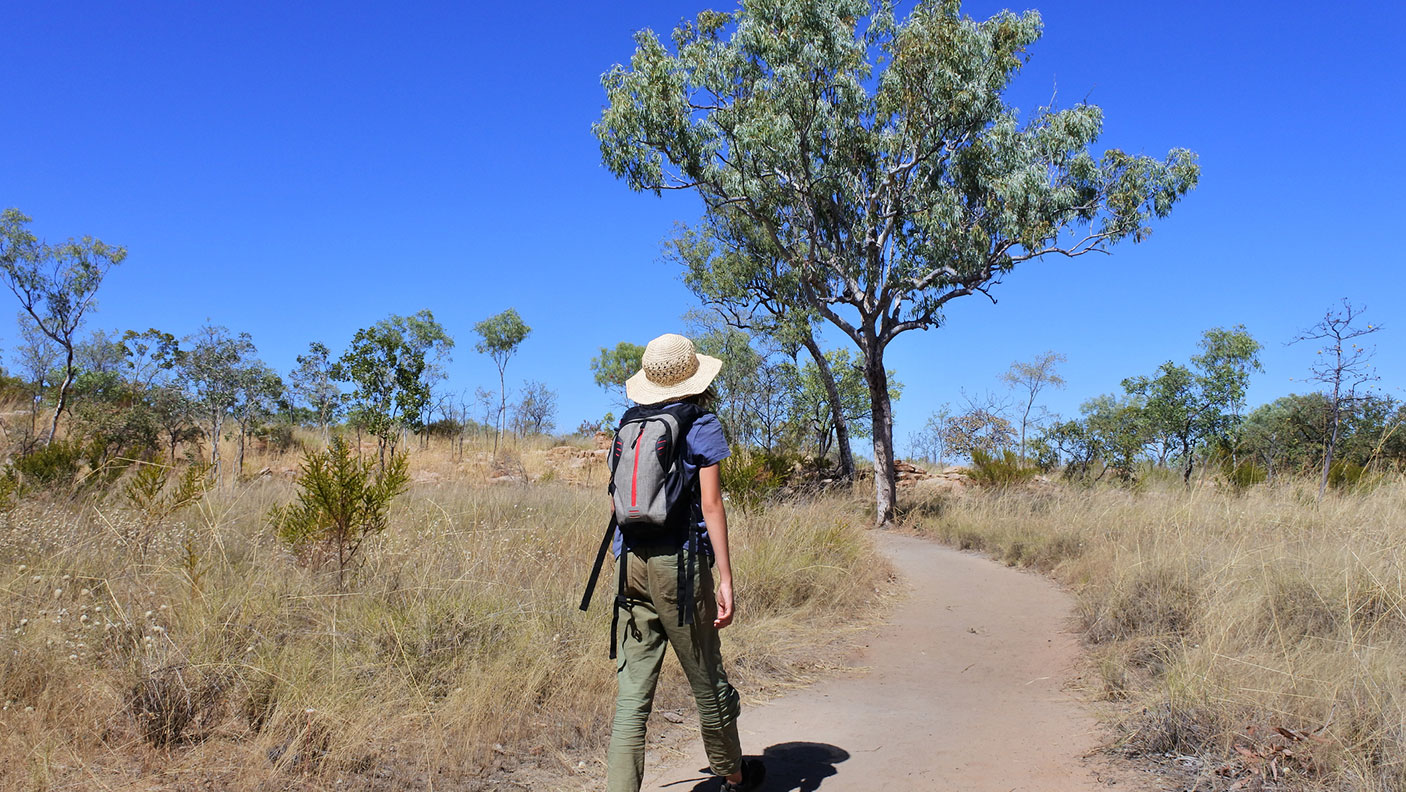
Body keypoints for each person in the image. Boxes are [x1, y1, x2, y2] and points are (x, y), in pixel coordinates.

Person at [605, 333, 765, 792]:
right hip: (679, 567)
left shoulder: (630, 424)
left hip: (630, 562)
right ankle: (734, 776)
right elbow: (712, 506)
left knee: (632, 697)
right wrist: (727, 579)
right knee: (706, 678)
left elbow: (621, 504)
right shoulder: (701, 423)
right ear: (695, 376)